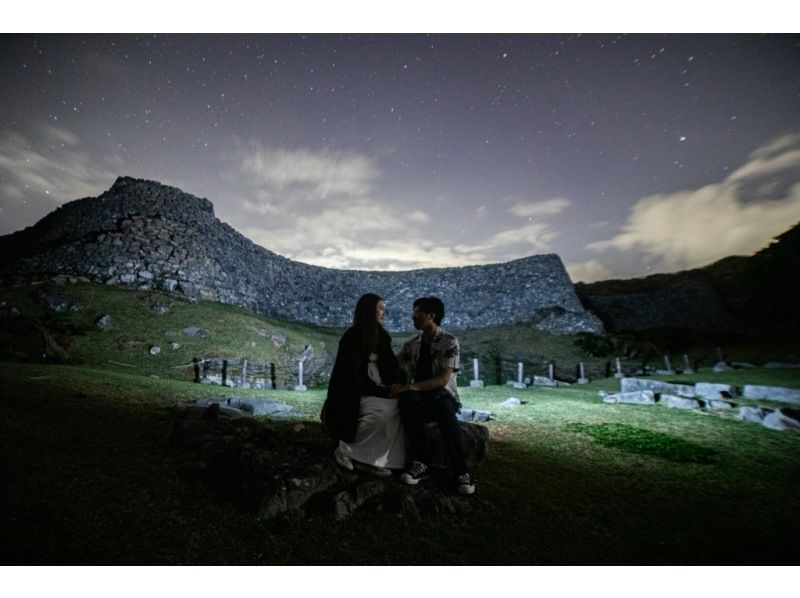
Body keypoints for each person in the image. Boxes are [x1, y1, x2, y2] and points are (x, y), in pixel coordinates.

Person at [391, 296, 475, 495]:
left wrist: (409, 387)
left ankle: (461, 471)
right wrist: (397, 383)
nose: (413, 316)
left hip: (441, 395)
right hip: (418, 398)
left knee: (444, 410)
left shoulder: (450, 342)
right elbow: (396, 366)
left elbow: (442, 380)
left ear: (431, 315)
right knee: (407, 403)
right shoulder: (411, 344)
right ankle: (421, 462)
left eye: (417, 312)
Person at [321, 293, 405, 476]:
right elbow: (353, 375)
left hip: (378, 386)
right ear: (369, 310)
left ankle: (376, 458)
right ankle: (346, 450)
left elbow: (392, 365)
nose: (384, 313)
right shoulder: (352, 337)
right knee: (381, 412)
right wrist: (381, 391)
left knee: (398, 407)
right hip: (355, 391)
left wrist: (397, 384)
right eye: (381, 308)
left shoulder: (383, 337)